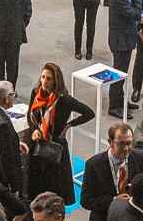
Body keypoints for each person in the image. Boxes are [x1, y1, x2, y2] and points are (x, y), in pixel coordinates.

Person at [23, 61, 93, 205]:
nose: (44, 81)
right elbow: (29, 114)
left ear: (56, 80)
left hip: (55, 147)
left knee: (53, 185)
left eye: (48, 78)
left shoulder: (65, 100)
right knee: (36, 182)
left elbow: (89, 113)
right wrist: (35, 129)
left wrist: (69, 125)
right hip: (37, 143)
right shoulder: (36, 93)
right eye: (43, 77)